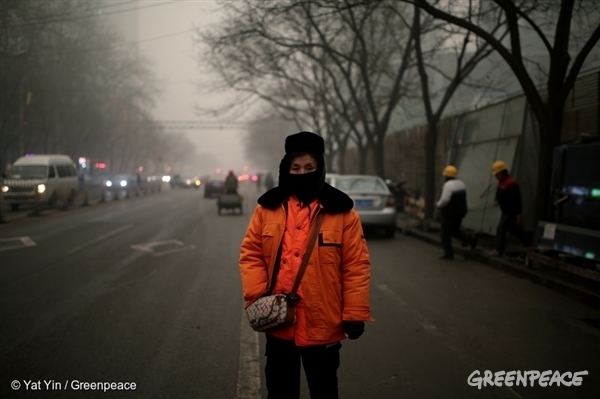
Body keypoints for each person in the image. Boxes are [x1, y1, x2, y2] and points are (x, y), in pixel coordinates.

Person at [239, 131, 373, 399]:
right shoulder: (268, 208)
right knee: (280, 391)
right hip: (279, 323)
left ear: (320, 168)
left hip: (324, 324)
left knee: (324, 391)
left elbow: (356, 265)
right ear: (286, 169)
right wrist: (257, 297)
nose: (302, 173)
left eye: (309, 167)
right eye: (296, 167)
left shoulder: (342, 212)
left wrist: (355, 312)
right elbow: (251, 253)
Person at [489, 160, 532, 256]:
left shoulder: (511, 183)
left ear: (501, 172)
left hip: (510, 211)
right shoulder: (502, 182)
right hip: (505, 210)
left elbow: (517, 199)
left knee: (501, 228)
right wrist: (497, 200)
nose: (496, 176)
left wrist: (518, 213)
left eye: (497, 174)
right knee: (513, 229)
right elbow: (499, 192)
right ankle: (528, 241)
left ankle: (498, 250)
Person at [436, 165, 477, 260]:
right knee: (454, 230)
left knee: (444, 233)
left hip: (450, 213)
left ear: (446, 176)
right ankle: (471, 239)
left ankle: (448, 253)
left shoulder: (448, 185)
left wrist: (438, 205)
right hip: (461, 212)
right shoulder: (461, 183)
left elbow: (445, 200)